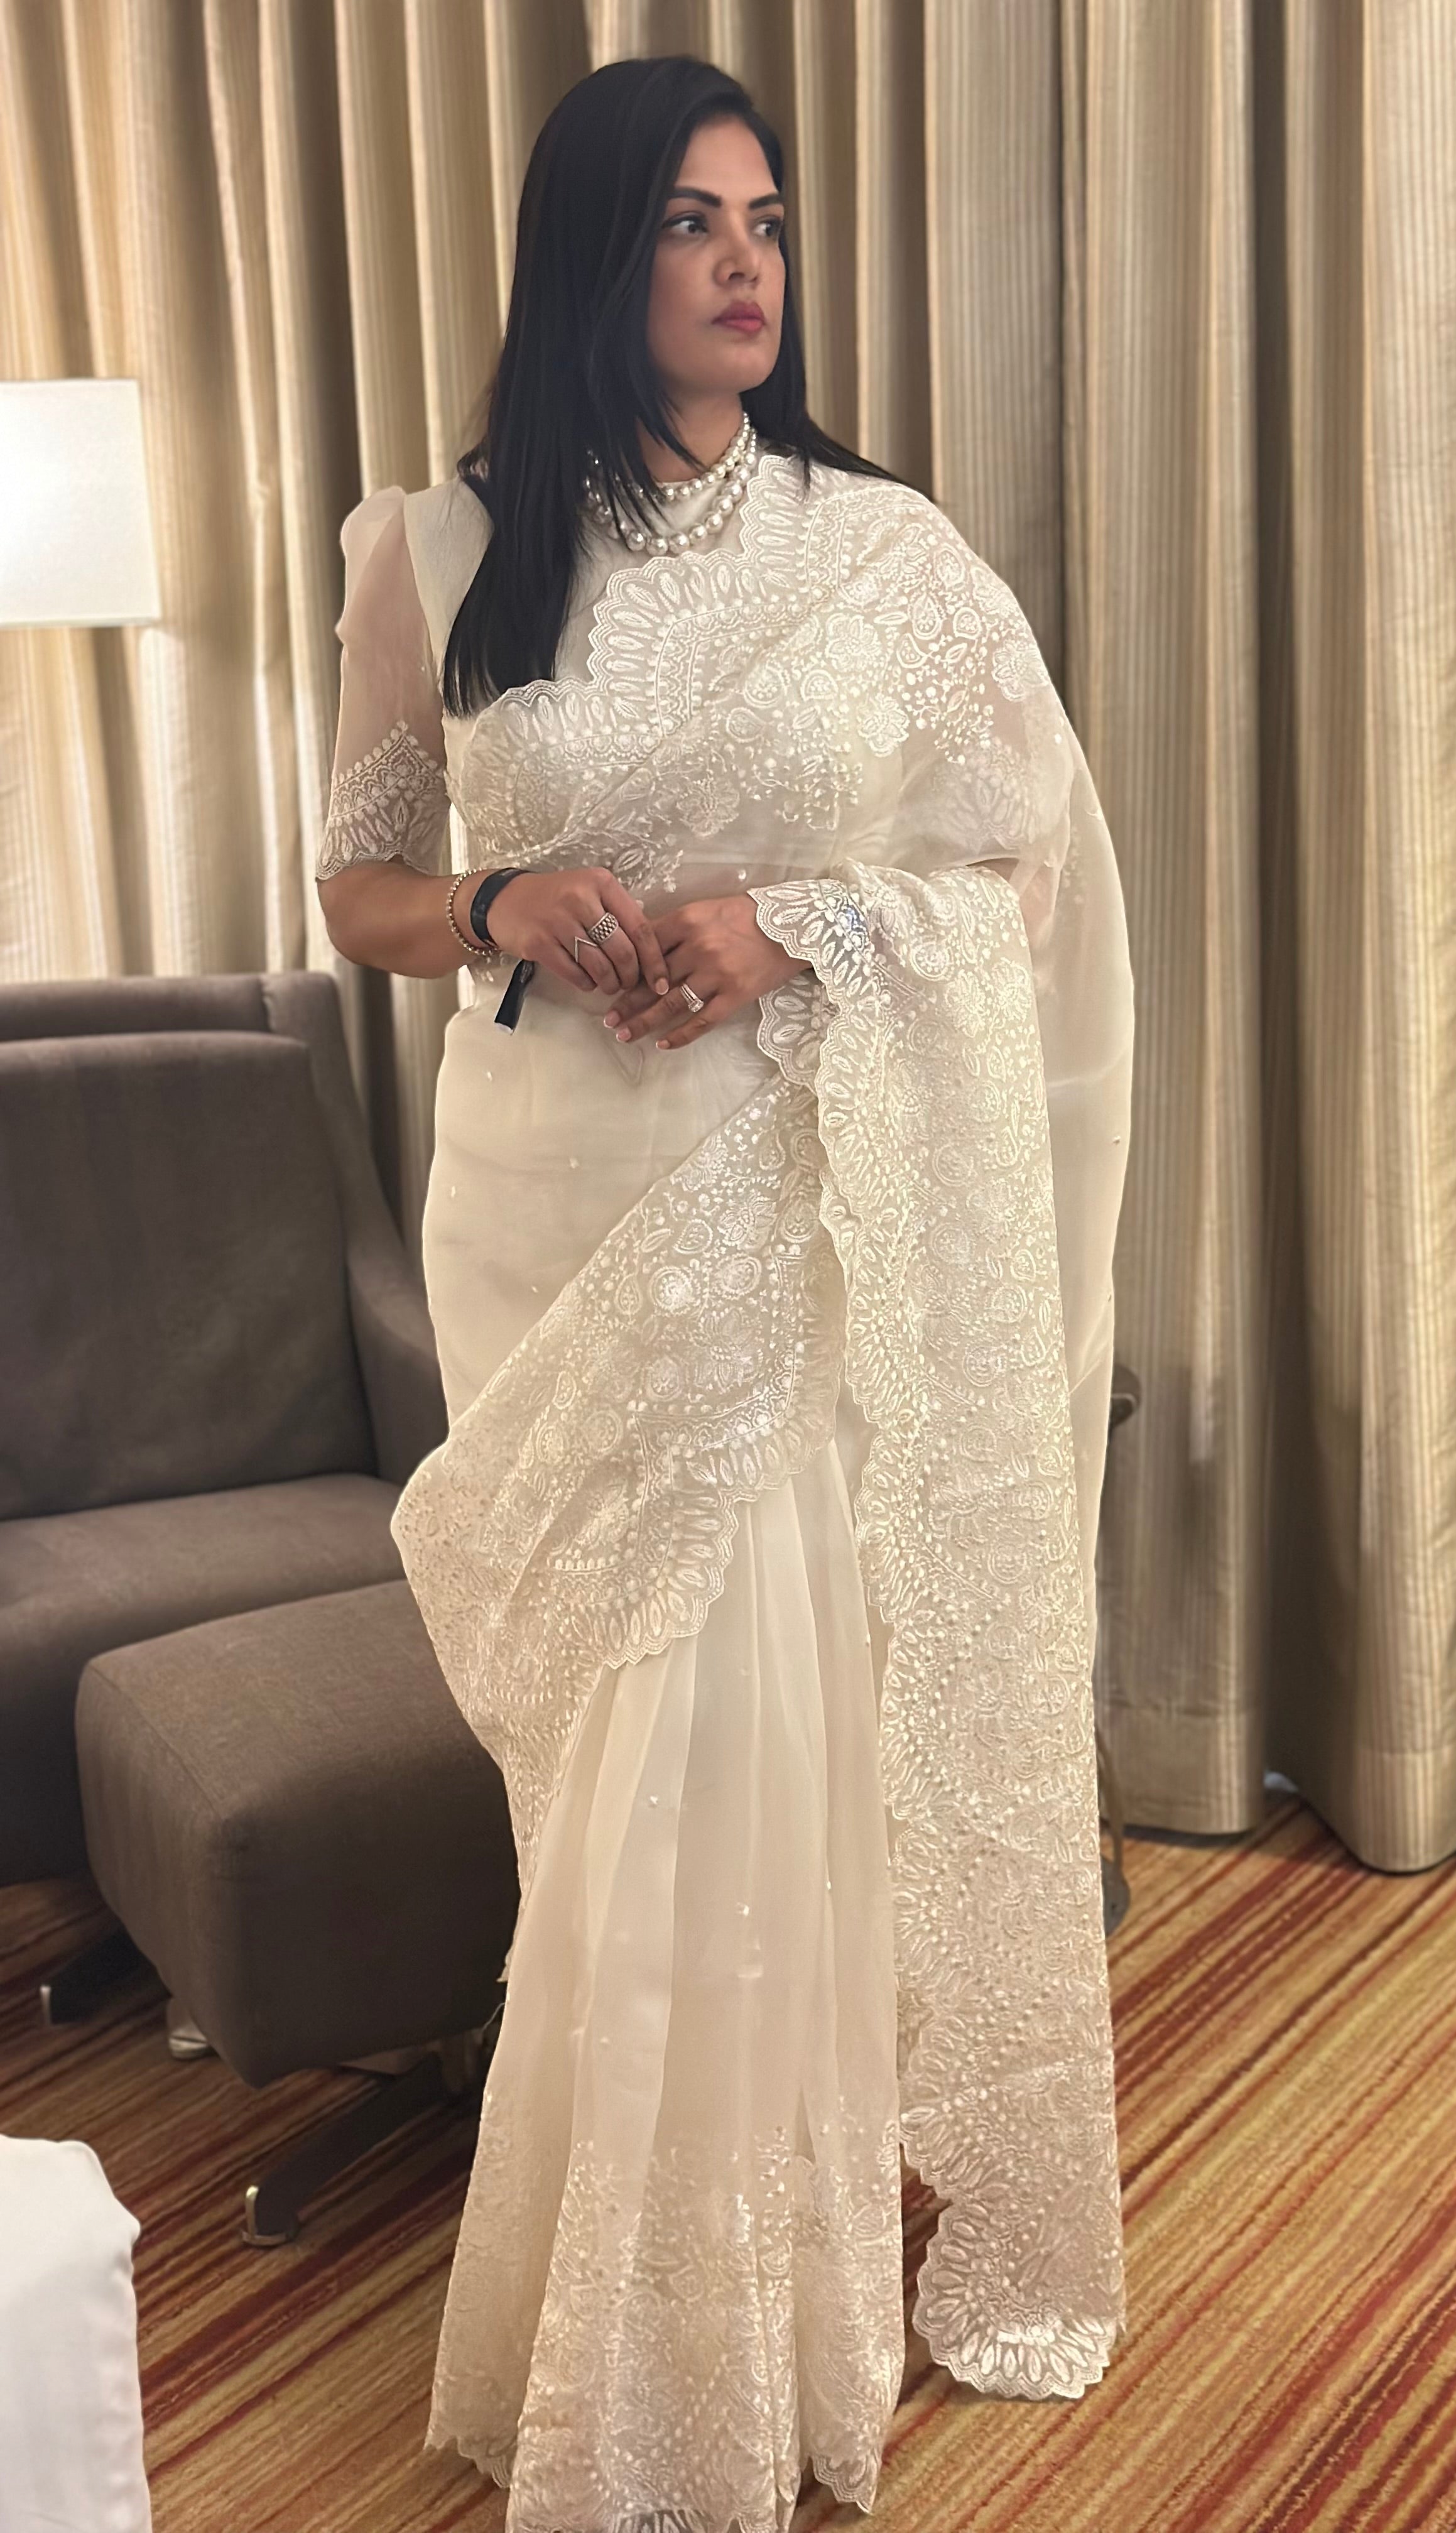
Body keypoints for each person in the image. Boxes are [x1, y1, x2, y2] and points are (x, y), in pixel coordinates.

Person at [317, 52, 1134, 2533]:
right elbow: (359, 889)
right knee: (609, 1781)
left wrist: (801, 925)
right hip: (545, 1209)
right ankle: (645, 2301)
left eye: (765, 220)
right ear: (597, 252)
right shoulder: (432, 551)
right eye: (691, 222)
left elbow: (1028, 884)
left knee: (749, 1737)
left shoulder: (888, 557)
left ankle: (726, 2349)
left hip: (790, 1203)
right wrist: (498, 900)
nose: (746, 264)